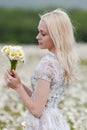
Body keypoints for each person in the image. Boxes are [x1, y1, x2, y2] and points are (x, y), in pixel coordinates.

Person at [4, 8, 78, 130]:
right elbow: (42, 99)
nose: (37, 37)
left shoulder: (47, 63)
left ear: (56, 36)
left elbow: (37, 110)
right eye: (38, 32)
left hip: (43, 124)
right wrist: (20, 84)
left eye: (43, 34)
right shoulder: (61, 61)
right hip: (55, 121)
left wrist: (17, 88)